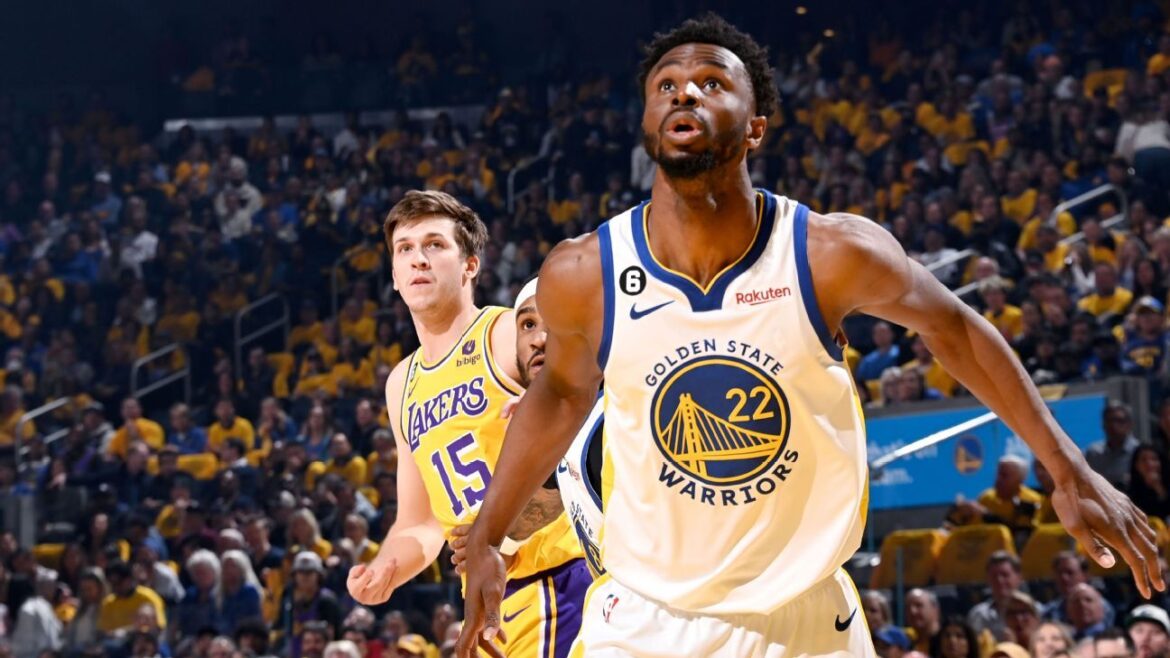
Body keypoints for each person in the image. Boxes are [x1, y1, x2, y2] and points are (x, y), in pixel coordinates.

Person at [456, 13, 1163, 658]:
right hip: (644, 618)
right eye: (665, 86)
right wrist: (488, 535)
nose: (685, 93)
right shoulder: (585, 272)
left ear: (756, 127)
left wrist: (1067, 468)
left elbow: (959, 331)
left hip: (805, 619)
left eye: (711, 83)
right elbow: (561, 394)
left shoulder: (828, 252)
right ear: (647, 123)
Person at [344, 190, 588, 658]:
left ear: (470, 265)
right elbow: (420, 522)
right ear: (393, 276)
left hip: (555, 578)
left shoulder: (505, 332)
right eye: (405, 248)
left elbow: (581, 411)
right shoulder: (401, 384)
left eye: (435, 245)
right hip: (485, 598)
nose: (418, 259)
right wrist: (386, 568)